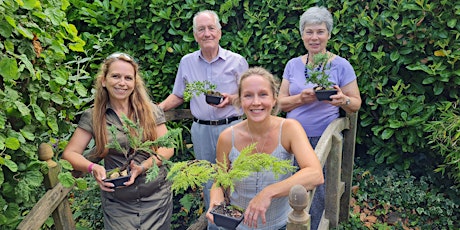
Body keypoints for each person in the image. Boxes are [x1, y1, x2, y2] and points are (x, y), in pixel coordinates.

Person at [62, 52, 174, 230]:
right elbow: (69, 153)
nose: (122, 83)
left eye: (128, 78)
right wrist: (93, 168)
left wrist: (143, 167)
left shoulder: (150, 111)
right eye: (116, 76)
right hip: (118, 202)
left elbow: (168, 148)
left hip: (156, 197)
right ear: (104, 81)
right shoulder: (93, 116)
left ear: (134, 83)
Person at [159, 9, 249, 225]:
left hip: (232, 127)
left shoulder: (236, 61)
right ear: (195, 34)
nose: (207, 33)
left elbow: (249, 95)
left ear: (219, 32)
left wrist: (233, 98)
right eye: (201, 29)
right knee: (208, 179)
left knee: (235, 178)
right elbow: (178, 95)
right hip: (201, 131)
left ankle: (240, 224)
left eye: (211, 28)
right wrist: (154, 110)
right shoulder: (187, 62)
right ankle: (215, 224)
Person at [206, 67, 324, 229]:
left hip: (280, 224)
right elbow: (220, 181)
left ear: (274, 99)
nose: (256, 102)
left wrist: (268, 192)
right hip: (238, 225)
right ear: (240, 101)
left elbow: (315, 174)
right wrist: (216, 199)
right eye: (248, 95)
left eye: (263, 94)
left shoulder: (289, 129)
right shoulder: (227, 137)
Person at [278, 6, 362, 230]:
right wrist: (300, 99)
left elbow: (355, 103)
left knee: (316, 192)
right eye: (309, 32)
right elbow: (280, 103)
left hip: (322, 139)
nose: (314, 37)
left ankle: (313, 227)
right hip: (289, 139)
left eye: (320, 31)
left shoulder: (341, 65)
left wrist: (342, 100)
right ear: (302, 34)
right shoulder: (292, 65)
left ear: (329, 34)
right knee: (287, 186)